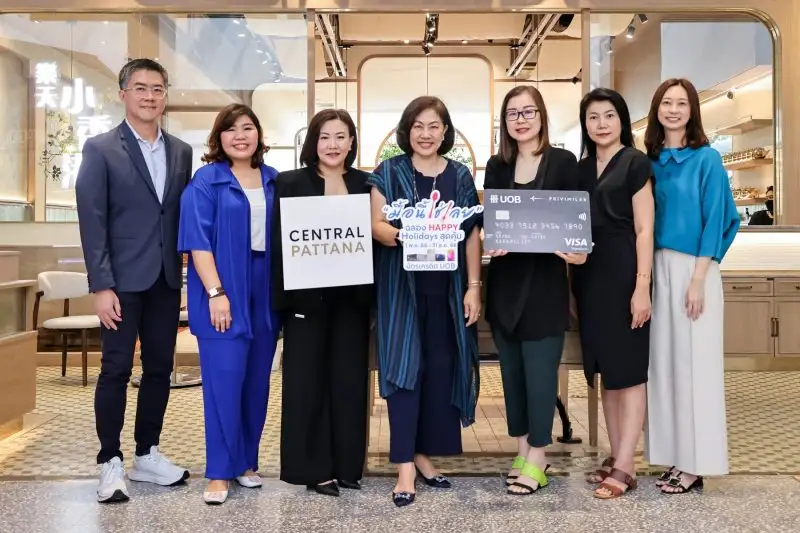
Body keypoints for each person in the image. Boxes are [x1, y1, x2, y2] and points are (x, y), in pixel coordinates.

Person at [75, 58, 193, 504]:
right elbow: (93, 220)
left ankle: (147, 453)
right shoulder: (100, 148)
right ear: (123, 94)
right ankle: (110, 460)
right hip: (121, 282)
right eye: (141, 88)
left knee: (160, 368)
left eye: (157, 88)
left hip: (165, 277)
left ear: (165, 96)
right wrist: (101, 285)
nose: (149, 96)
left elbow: (176, 214)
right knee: (116, 369)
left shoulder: (181, 151)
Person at [368, 96, 483, 507]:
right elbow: (376, 223)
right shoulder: (389, 171)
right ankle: (404, 468)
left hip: (447, 291)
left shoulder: (460, 175)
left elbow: (471, 233)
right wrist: (406, 235)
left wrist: (474, 286)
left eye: (434, 126)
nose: (426, 134)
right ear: (407, 130)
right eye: (418, 126)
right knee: (404, 372)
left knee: (439, 371)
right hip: (402, 288)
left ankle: (423, 455)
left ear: (445, 131)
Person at [178, 104, 281, 505]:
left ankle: (246, 463)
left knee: (256, 383)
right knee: (223, 383)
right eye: (231, 129)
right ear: (218, 137)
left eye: (248, 128)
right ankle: (219, 471)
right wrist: (216, 293)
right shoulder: (207, 181)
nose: (240, 135)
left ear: (259, 134)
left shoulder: (274, 180)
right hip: (223, 286)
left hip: (266, 289)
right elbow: (197, 242)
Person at [482, 85, 581, 496]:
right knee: (513, 376)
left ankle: (539, 456)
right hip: (505, 283)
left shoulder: (563, 162)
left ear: (541, 116)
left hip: (544, 285)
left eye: (528, 112)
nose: (520, 120)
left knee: (541, 376)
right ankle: (522, 451)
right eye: (512, 114)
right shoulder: (497, 165)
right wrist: (490, 239)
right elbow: (490, 219)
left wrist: (577, 250)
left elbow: (578, 220)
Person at [643, 78, 740, 494]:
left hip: (695, 270)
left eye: (681, 103)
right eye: (666, 102)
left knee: (696, 368)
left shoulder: (708, 160)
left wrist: (698, 279)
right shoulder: (650, 161)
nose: (673, 110)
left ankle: (696, 463)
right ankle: (675, 456)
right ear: (656, 109)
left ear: (692, 110)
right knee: (664, 367)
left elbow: (718, 219)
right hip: (657, 268)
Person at [273, 109, 373, 496]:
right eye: (325, 137)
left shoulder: (366, 183)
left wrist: (373, 302)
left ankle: (348, 467)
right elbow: (281, 245)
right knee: (306, 386)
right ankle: (315, 470)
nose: (332, 144)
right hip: (305, 303)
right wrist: (284, 303)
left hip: (352, 302)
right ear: (313, 142)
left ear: (352, 142)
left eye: (340, 136)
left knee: (349, 383)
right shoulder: (290, 182)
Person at [571, 88, 655, 499]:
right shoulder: (581, 169)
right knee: (605, 369)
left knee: (629, 371)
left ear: (621, 119)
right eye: (593, 117)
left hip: (624, 272)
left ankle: (627, 463)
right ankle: (615, 454)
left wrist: (642, 287)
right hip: (588, 276)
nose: (601, 124)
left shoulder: (636, 163)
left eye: (608, 115)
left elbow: (644, 229)